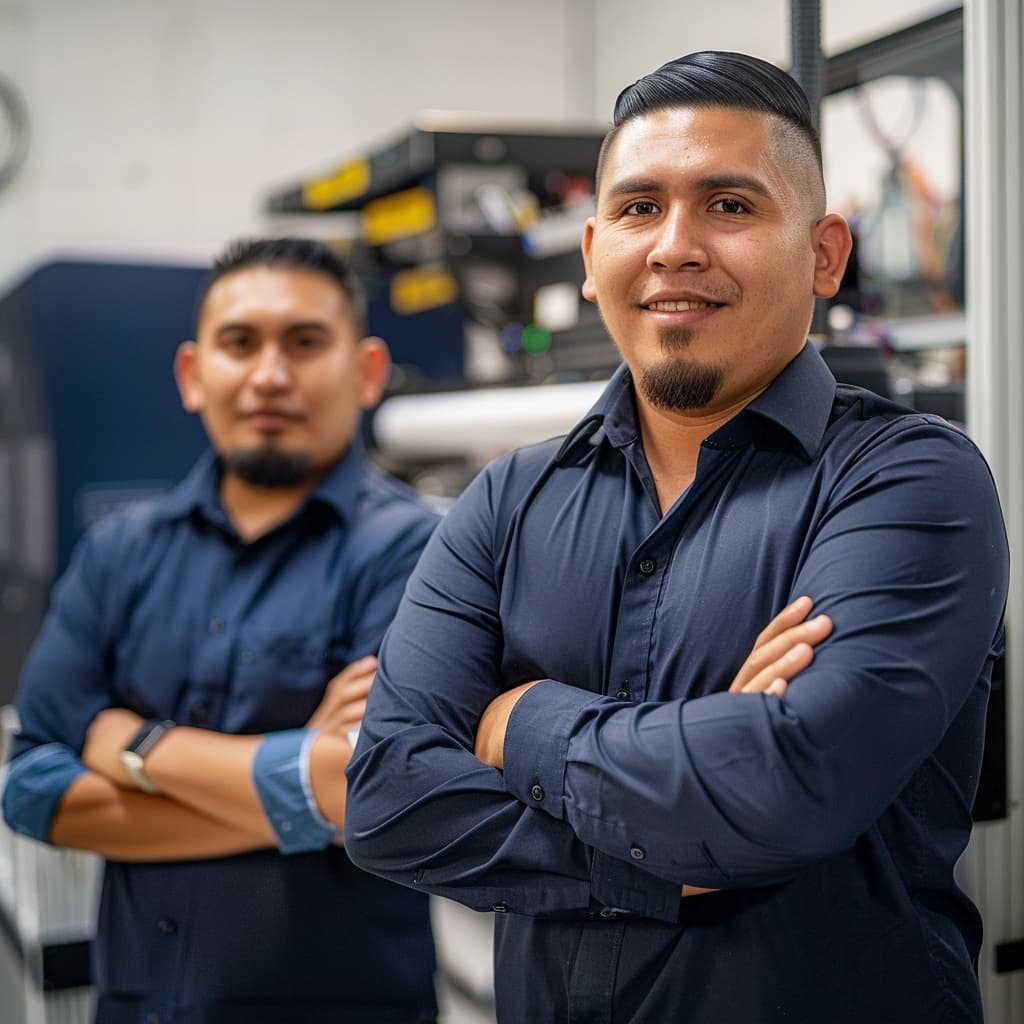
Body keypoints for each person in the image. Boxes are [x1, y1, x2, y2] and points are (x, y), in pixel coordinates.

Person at [344, 51, 1009, 1023]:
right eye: (639, 207)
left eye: (729, 205)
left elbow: (792, 783)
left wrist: (519, 720)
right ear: (591, 252)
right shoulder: (508, 501)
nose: (674, 246)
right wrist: (694, 809)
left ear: (825, 254)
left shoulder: (907, 481)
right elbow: (388, 800)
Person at [2, 237, 440, 1023]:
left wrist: (136, 745)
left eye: (304, 342)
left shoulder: (421, 553)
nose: (269, 374)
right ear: (192, 374)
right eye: (239, 343)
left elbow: (364, 792)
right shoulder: (118, 552)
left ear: (367, 371)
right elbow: (32, 788)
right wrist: (296, 782)